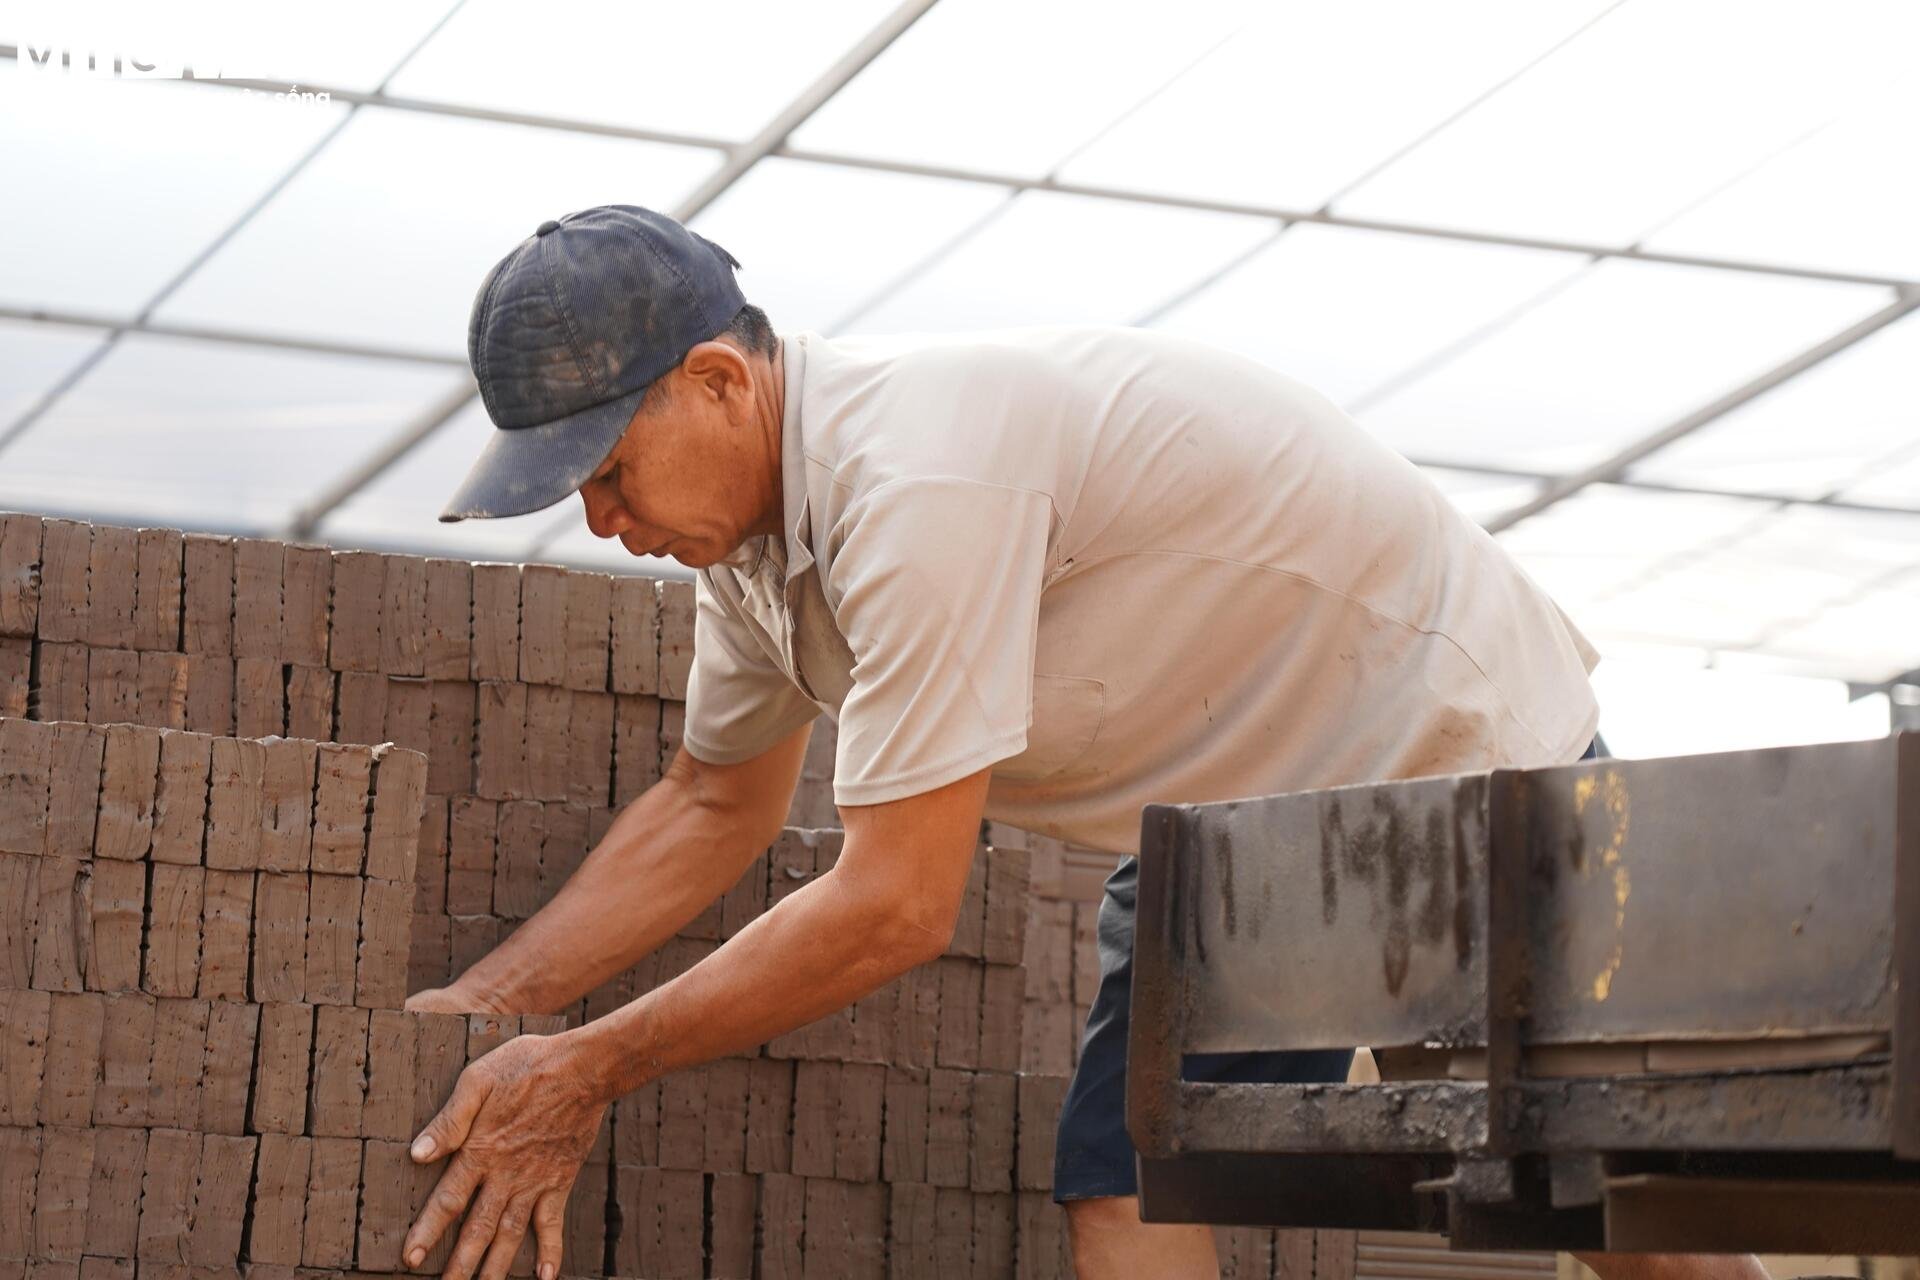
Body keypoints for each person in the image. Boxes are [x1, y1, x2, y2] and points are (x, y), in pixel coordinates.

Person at [401, 205, 1766, 1280]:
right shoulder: (754, 559)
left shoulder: (917, 480)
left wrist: (587, 1068)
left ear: (716, 384)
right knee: (1132, 1170)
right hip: (1241, 817)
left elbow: (895, 905)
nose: (599, 523)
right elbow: (714, 804)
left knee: (1565, 1175)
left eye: (608, 475)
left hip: (1448, 739)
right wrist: (492, 1011)